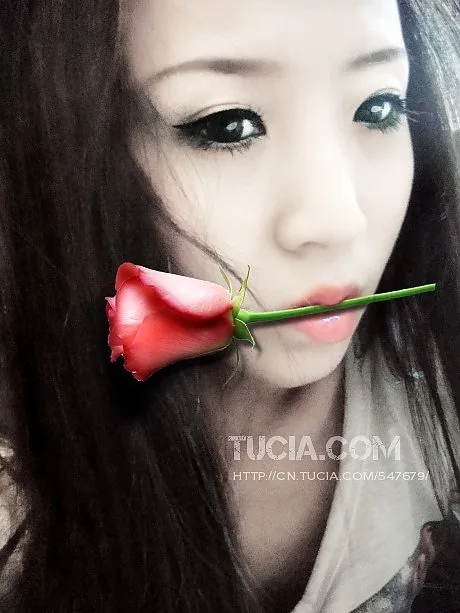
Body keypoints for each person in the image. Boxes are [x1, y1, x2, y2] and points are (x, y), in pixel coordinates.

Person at [0, 0, 459, 611]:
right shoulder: (19, 493)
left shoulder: (434, 368)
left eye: (377, 107)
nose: (340, 220)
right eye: (228, 125)